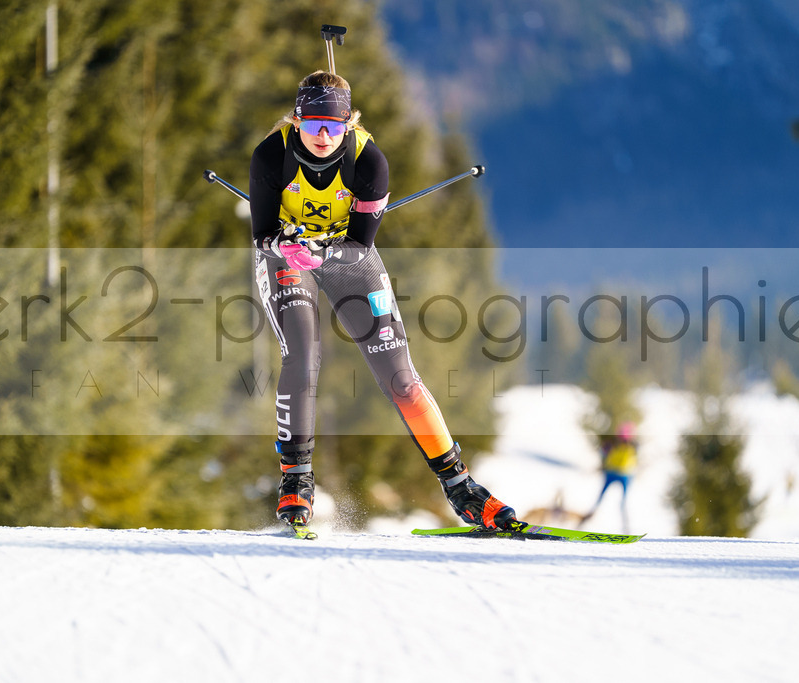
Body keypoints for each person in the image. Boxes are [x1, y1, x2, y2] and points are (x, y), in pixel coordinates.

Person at [248, 70, 517, 530]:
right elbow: (262, 234)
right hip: (287, 259)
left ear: (350, 124)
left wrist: (325, 250)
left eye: (333, 128)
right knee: (303, 354)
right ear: (296, 122)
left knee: (401, 378)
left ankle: (462, 487)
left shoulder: (369, 162)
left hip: (348, 257)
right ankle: (296, 479)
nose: (323, 137)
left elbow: (359, 245)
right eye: (313, 127)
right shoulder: (271, 155)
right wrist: (286, 246)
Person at [580, 421, 638, 532]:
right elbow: (604, 453)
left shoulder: (632, 446)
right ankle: (583, 523)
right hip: (612, 473)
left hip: (624, 475)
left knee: (621, 503)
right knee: (600, 499)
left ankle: (626, 529)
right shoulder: (614, 444)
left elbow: (632, 459)